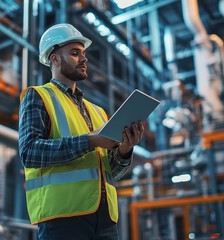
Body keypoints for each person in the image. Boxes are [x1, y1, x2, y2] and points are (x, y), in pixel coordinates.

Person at [18, 23, 145, 240]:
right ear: (54, 59)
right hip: (63, 218)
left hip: (105, 220)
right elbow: (29, 153)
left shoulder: (98, 112)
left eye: (83, 53)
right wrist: (90, 140)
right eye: (75, 53)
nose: (84, 59)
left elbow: (110, 172)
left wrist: (124, 150)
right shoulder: (38, 96)